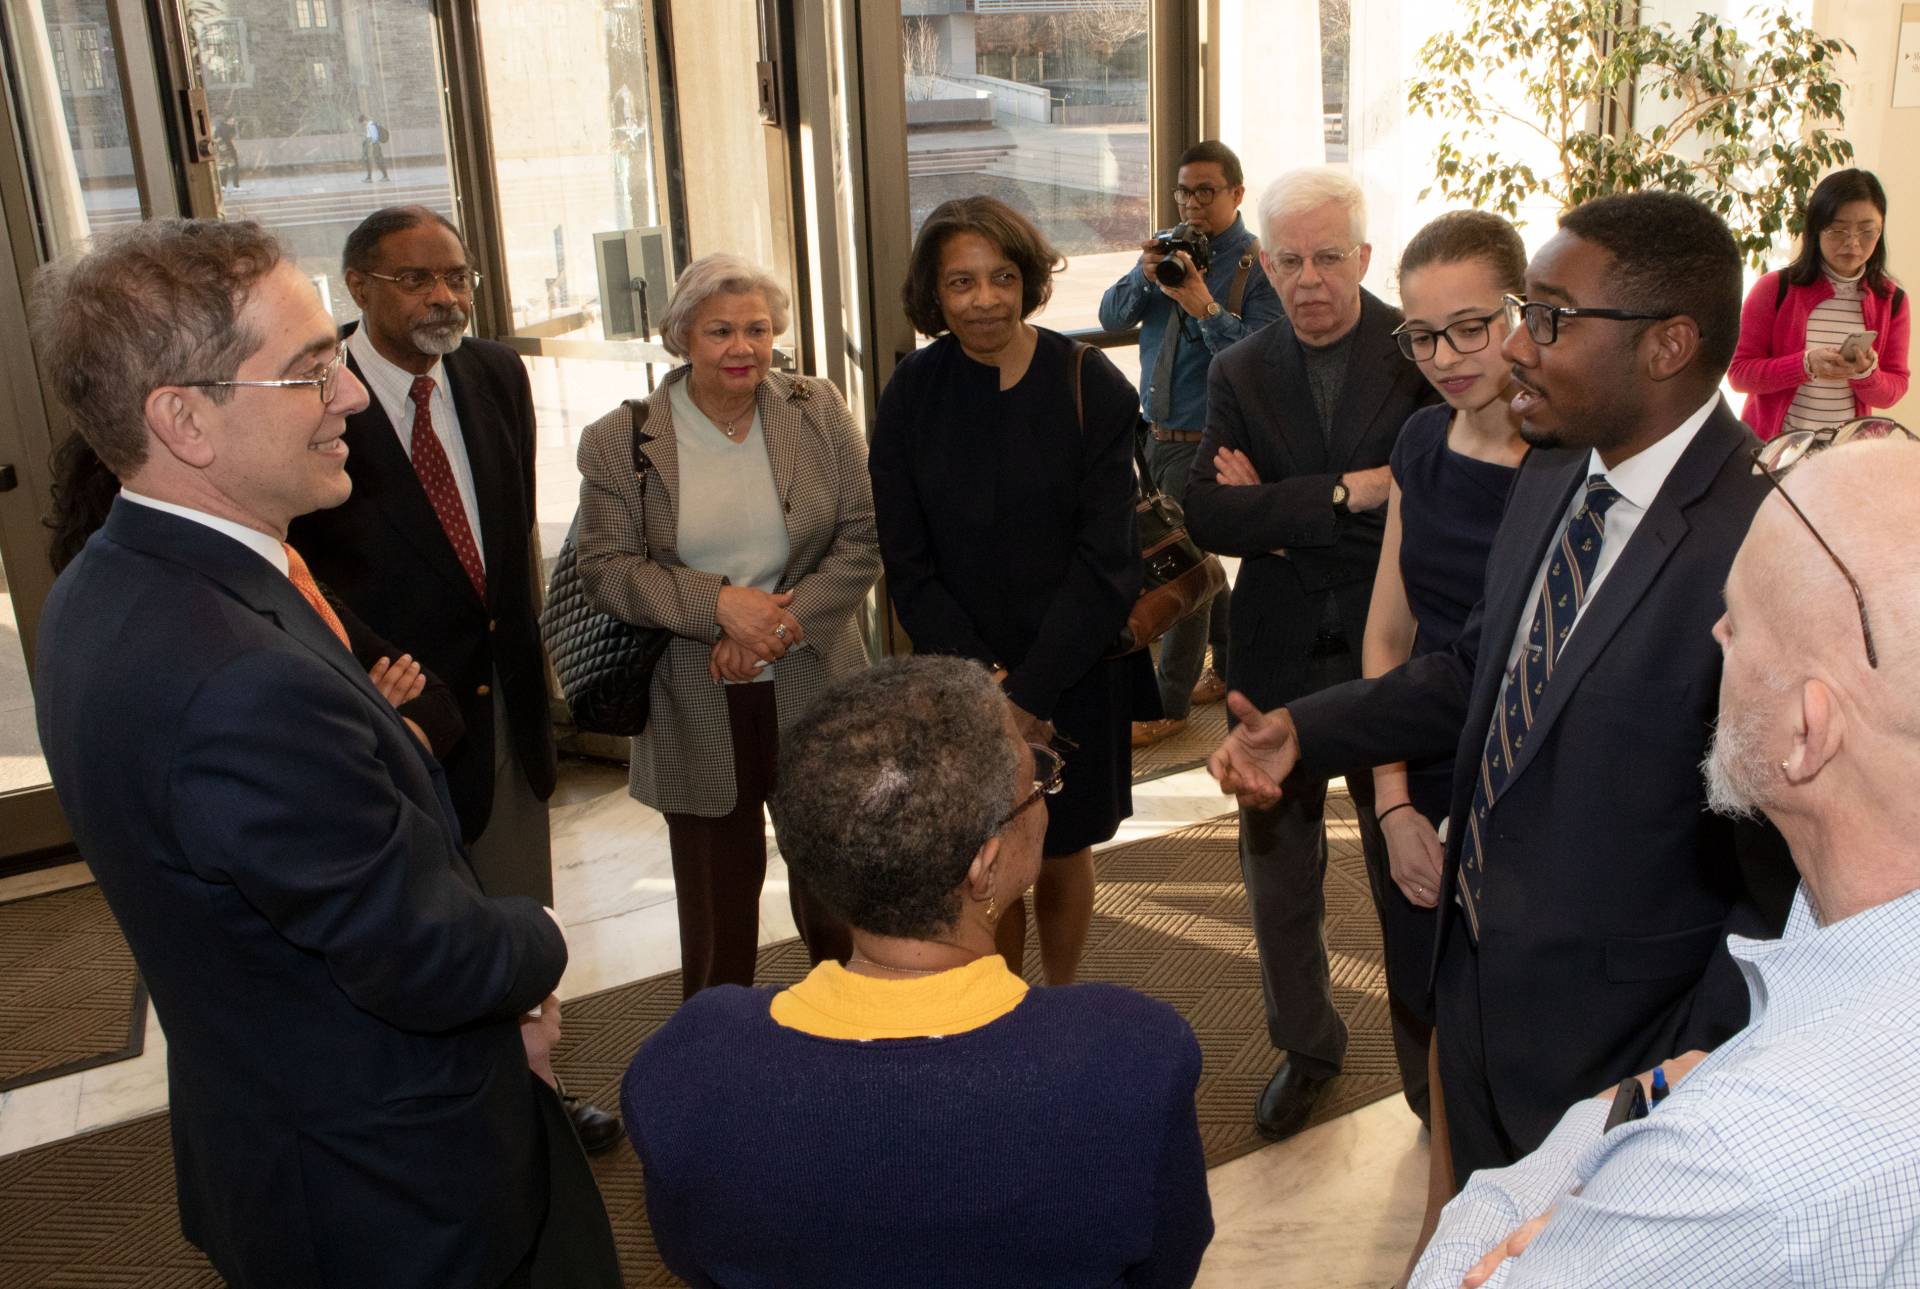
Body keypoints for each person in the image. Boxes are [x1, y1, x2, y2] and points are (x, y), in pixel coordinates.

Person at [29, 218, 618, 1288]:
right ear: (184, 420)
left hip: (289, 1126)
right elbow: (424, 953)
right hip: (385, 1187)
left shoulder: (106, 587)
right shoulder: (236, 675)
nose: (349, 394)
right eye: (308, 372)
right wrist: (535, 940)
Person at [1209, 190, 1798, 1187]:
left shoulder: (1770, 542)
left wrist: (1677, 1077)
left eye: (1553, 319)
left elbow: (1781, 880)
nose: (1519, 347)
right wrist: (1304, 732)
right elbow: (1476, 670)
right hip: (1478, 980)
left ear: (1668, 345)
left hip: (1623, 1048)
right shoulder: (1562, 471)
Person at [1413, 437, 1920, 1289]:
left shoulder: (1728, 1172)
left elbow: (1453, 1274)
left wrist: (1618, 1121)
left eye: (1740, 622)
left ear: (1807, 732)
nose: (1716, 633)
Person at [622, 656, 1213, 1289]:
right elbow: (1165, 1267)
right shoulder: (1134, 1057)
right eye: (1035, 779)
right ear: (984, 865)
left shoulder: (686, 1066)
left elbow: (695, 1260)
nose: (1044, 797)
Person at [1181, 167, 1438, 1141]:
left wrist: (1279, 509)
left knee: (1403, 861)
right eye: (1288, 260)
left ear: (1365, 258)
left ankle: (1427, 1068)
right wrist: (1348, 495)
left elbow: (1434, 512)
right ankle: (1309, 1045)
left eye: (1329, 257)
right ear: (1265, 263)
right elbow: (1208, 509)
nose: (1310, 279)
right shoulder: (1240, 370)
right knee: (1277, 876)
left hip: (1395, 653)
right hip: (1279, 653)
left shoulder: (1419, 356)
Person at [574, 253, 877, 997]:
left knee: (841, 897)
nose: (742, 348)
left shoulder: (818, 409)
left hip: (813, 680)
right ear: (680, 336)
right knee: (716, 918)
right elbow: (607, 568)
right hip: (695, 696)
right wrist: (717, 608)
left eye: (758, 329)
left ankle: (863, 1050)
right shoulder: (621, 439)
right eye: (719, 331)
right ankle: (718, 1064)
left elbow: (865, 536)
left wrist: (777, 628)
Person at [870, 195, 1154, 986]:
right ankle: (996, 1011)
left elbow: (1108, 563)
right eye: (960, 282)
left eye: (1000, 277)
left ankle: (1056, 1005)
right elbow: (909, 562)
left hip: (1075, 665)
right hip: (961, 680)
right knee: (982, 863)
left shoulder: (1088, 383)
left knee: (1062, 850)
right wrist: (986, 688)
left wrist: (1028, 691)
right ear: (934, 294)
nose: (983, 298)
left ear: (1027, 279)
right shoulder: (910, 396)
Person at [1363, 212, 1530, 1128]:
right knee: (1425, 998)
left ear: (1525, 310)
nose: (1446, 354)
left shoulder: (1577, 462)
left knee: (1515, 1020)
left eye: (1472, 325)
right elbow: (1388, 639)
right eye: (1423, 333)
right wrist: (1391, 805)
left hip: (1533, 775)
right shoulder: (1420, 443)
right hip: (1418, 760)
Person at [1099, 140, 1281, 747]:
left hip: (1214, 438)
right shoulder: (1170, 250)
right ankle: (1226, 667)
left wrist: (1204, 305)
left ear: (1236, 193)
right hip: (1154, 433)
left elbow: (1256, 362)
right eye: (1183, 191)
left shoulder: (1258, 267)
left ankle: (1167, 703)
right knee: (1195, 553)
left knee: (1181, 563)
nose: (1193, 203)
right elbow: (1110, 317)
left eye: (1206, 191)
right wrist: (1142, 272)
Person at [1730, 168, 1909, 441]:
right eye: (1838, 230)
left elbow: (1893, 391)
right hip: (1776, 452)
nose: (1853, 243)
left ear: (1880, 230)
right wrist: (1805, 365)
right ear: (1815, 229)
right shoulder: (1774, 289)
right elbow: (1740, 375)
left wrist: (1866, 373)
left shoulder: (1892, 300)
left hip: (1847, 456)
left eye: (1866, 231)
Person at [358, 113, 389, 182]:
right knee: (377, 160)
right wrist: (364, 135)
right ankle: (383, 176)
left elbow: (374, 137)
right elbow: (372, 135)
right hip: (374, 144)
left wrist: (371, 144)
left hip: (372, 145)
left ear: (364, 120)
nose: (363, 124)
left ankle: (371, 178)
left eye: (362, 122)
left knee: (369, 160)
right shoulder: (372, 124)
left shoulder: (370, 125)